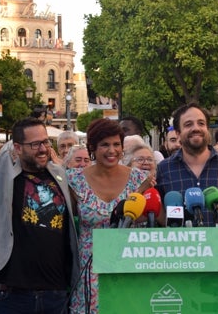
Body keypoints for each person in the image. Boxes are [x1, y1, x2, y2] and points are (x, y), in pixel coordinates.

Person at [0, 63, 80, 314]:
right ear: (18, 148)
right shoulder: (0, 172)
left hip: (56, 293)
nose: (43, 149)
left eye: (45, 142)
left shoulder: (60, 175)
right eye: (35, 145)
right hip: (13, 293)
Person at [155, 102, 218, 314]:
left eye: (201, 123)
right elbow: (161, 214)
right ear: (179, 133)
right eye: (188, 124)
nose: (196, 128)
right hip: (180, 268)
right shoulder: (164, 169)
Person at [66, 118, 150, 314]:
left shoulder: (140, 179)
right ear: (92, 148)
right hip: (89, 271)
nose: (112, 150)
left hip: (129, 268)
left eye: (116, 144)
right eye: (104, 145)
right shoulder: (73, 180)